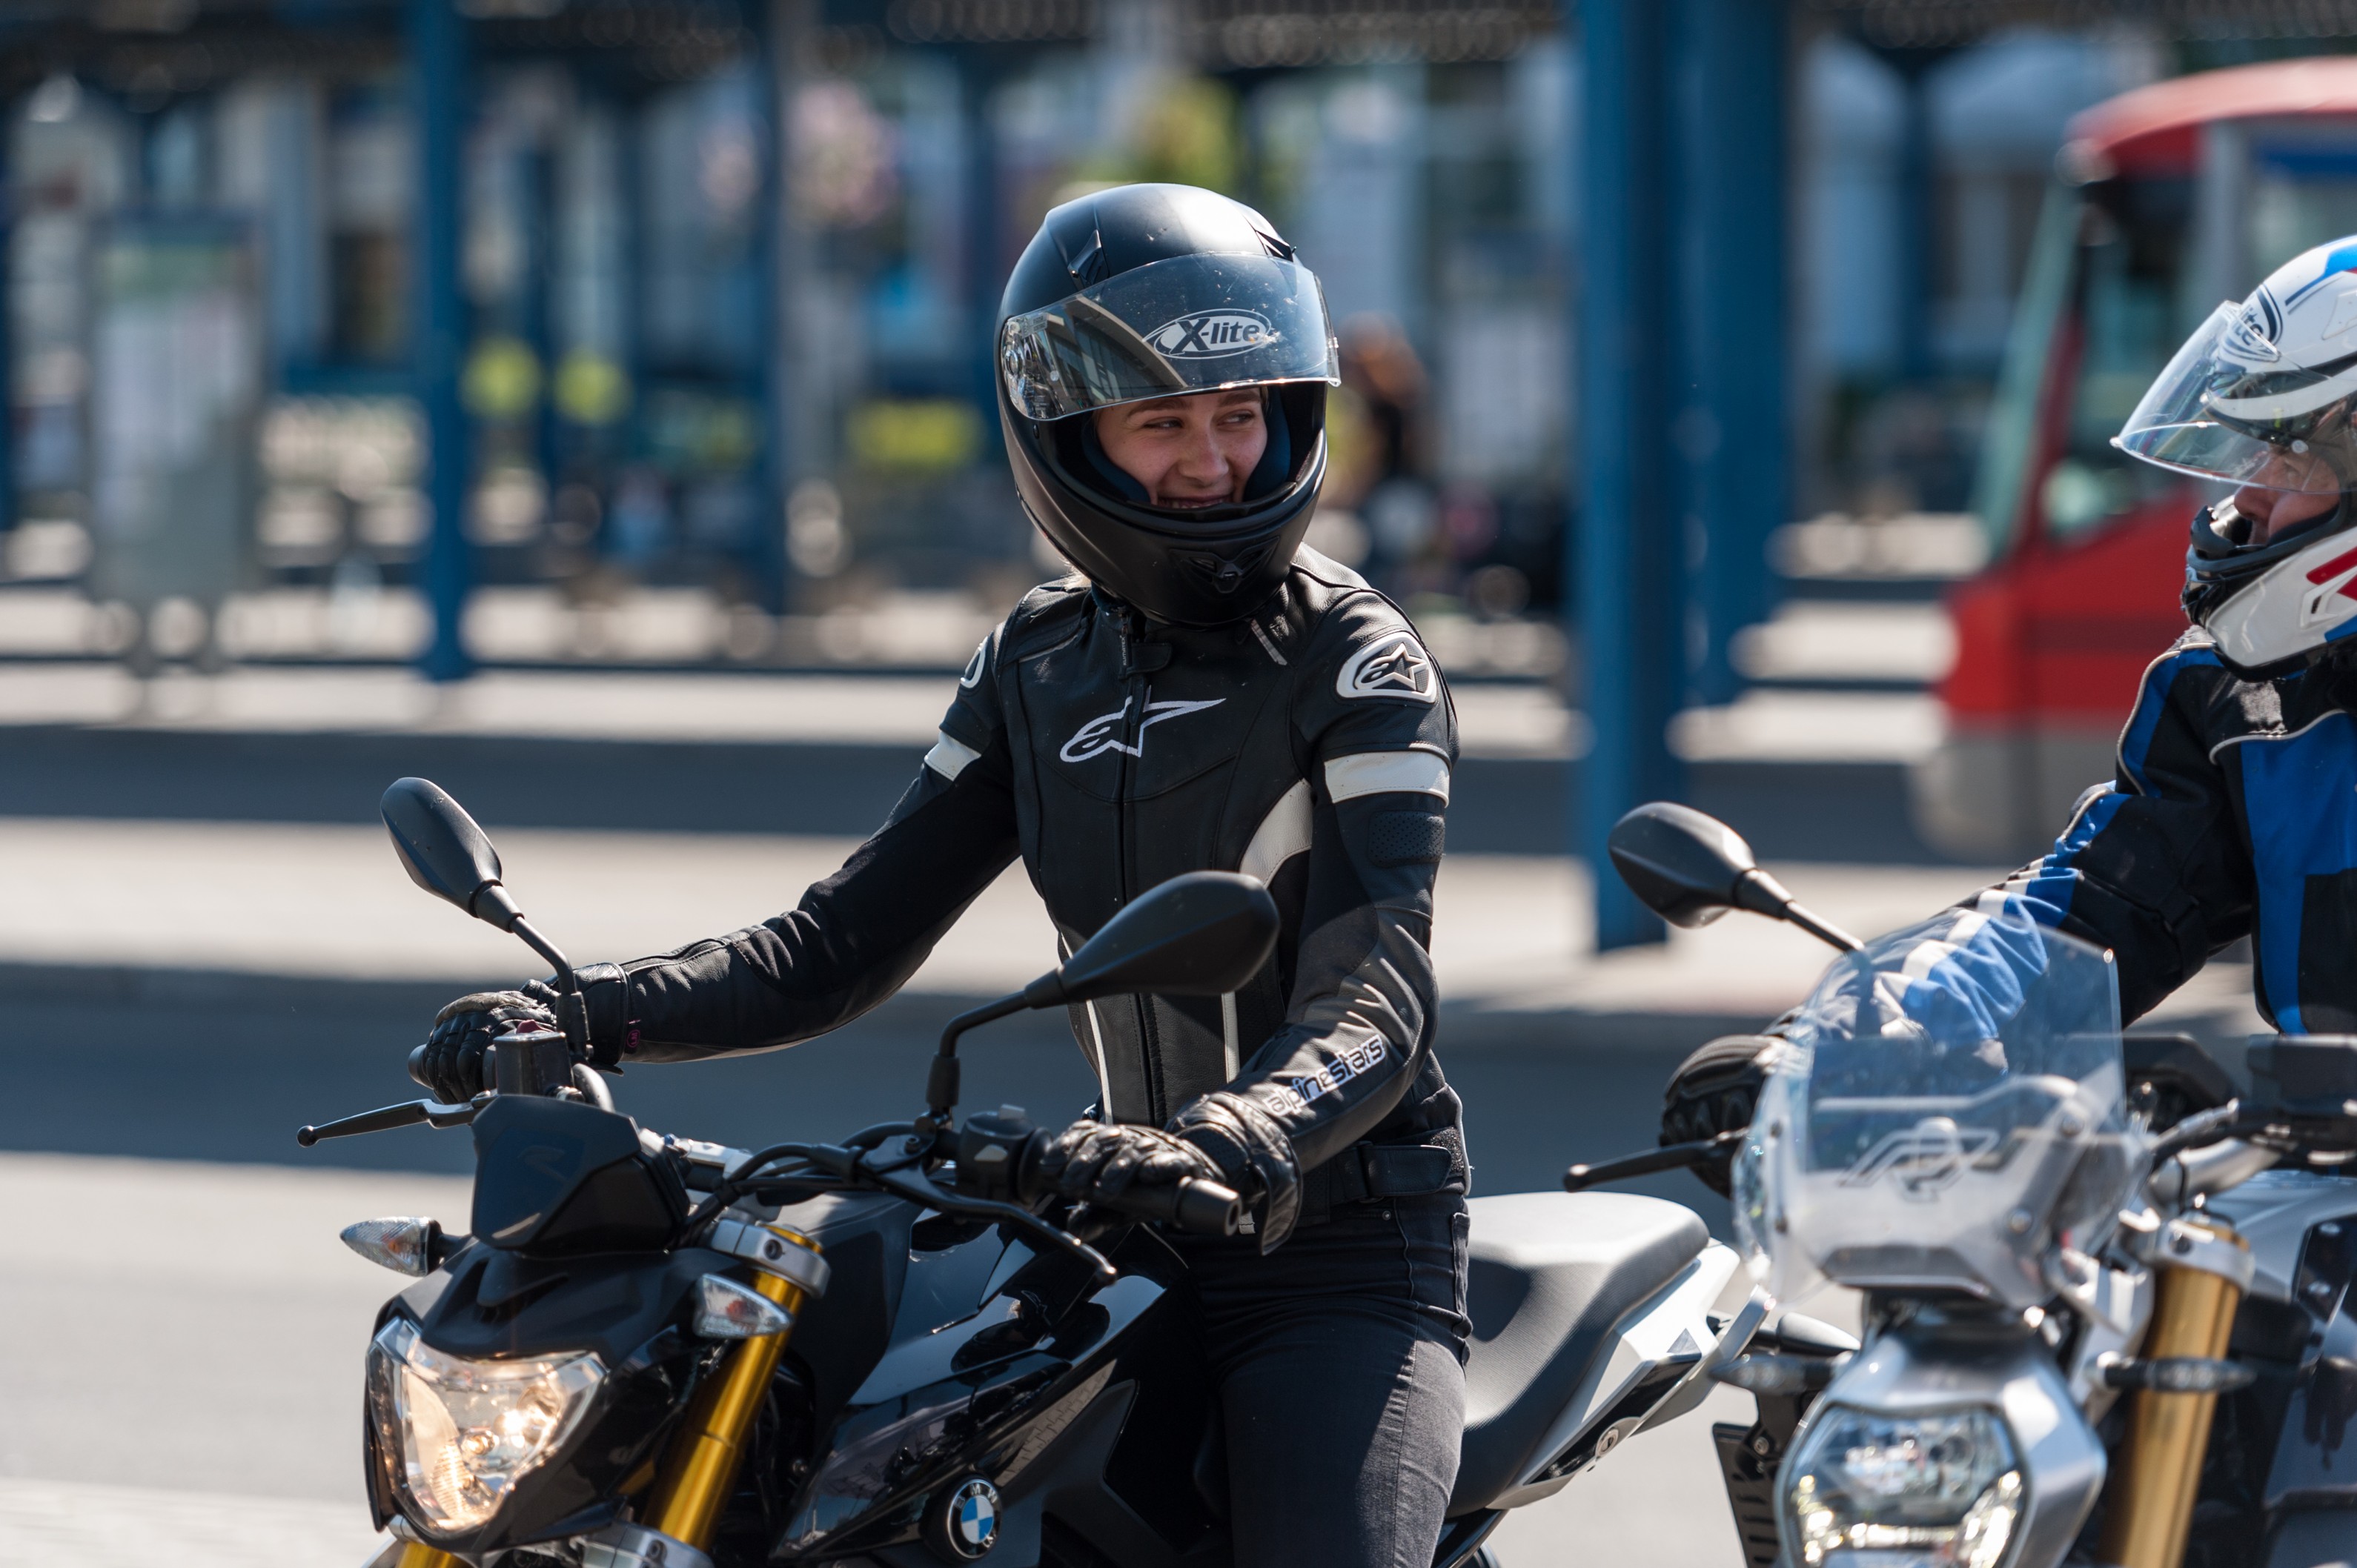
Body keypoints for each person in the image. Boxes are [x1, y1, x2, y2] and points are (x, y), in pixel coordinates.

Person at [414, 184, 1470, 1568]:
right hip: (1121, 1220)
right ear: (1066, 437)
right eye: (1163, 423)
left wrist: (1233, 1135)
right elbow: (839, 941)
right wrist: (585, 1012)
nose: (1215, 461)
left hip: (1339, 1258)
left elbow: (1373, 993)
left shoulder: (1360, 660)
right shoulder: (1036, 661)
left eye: (1240, 413)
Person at [1663, 233, 2357, 1176]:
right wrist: (1859, 1040)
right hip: (2323, 1188)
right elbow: (2093, 906)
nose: (2253, 503)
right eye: (2256, 459)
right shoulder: (2235, 690)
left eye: (2293, 464)